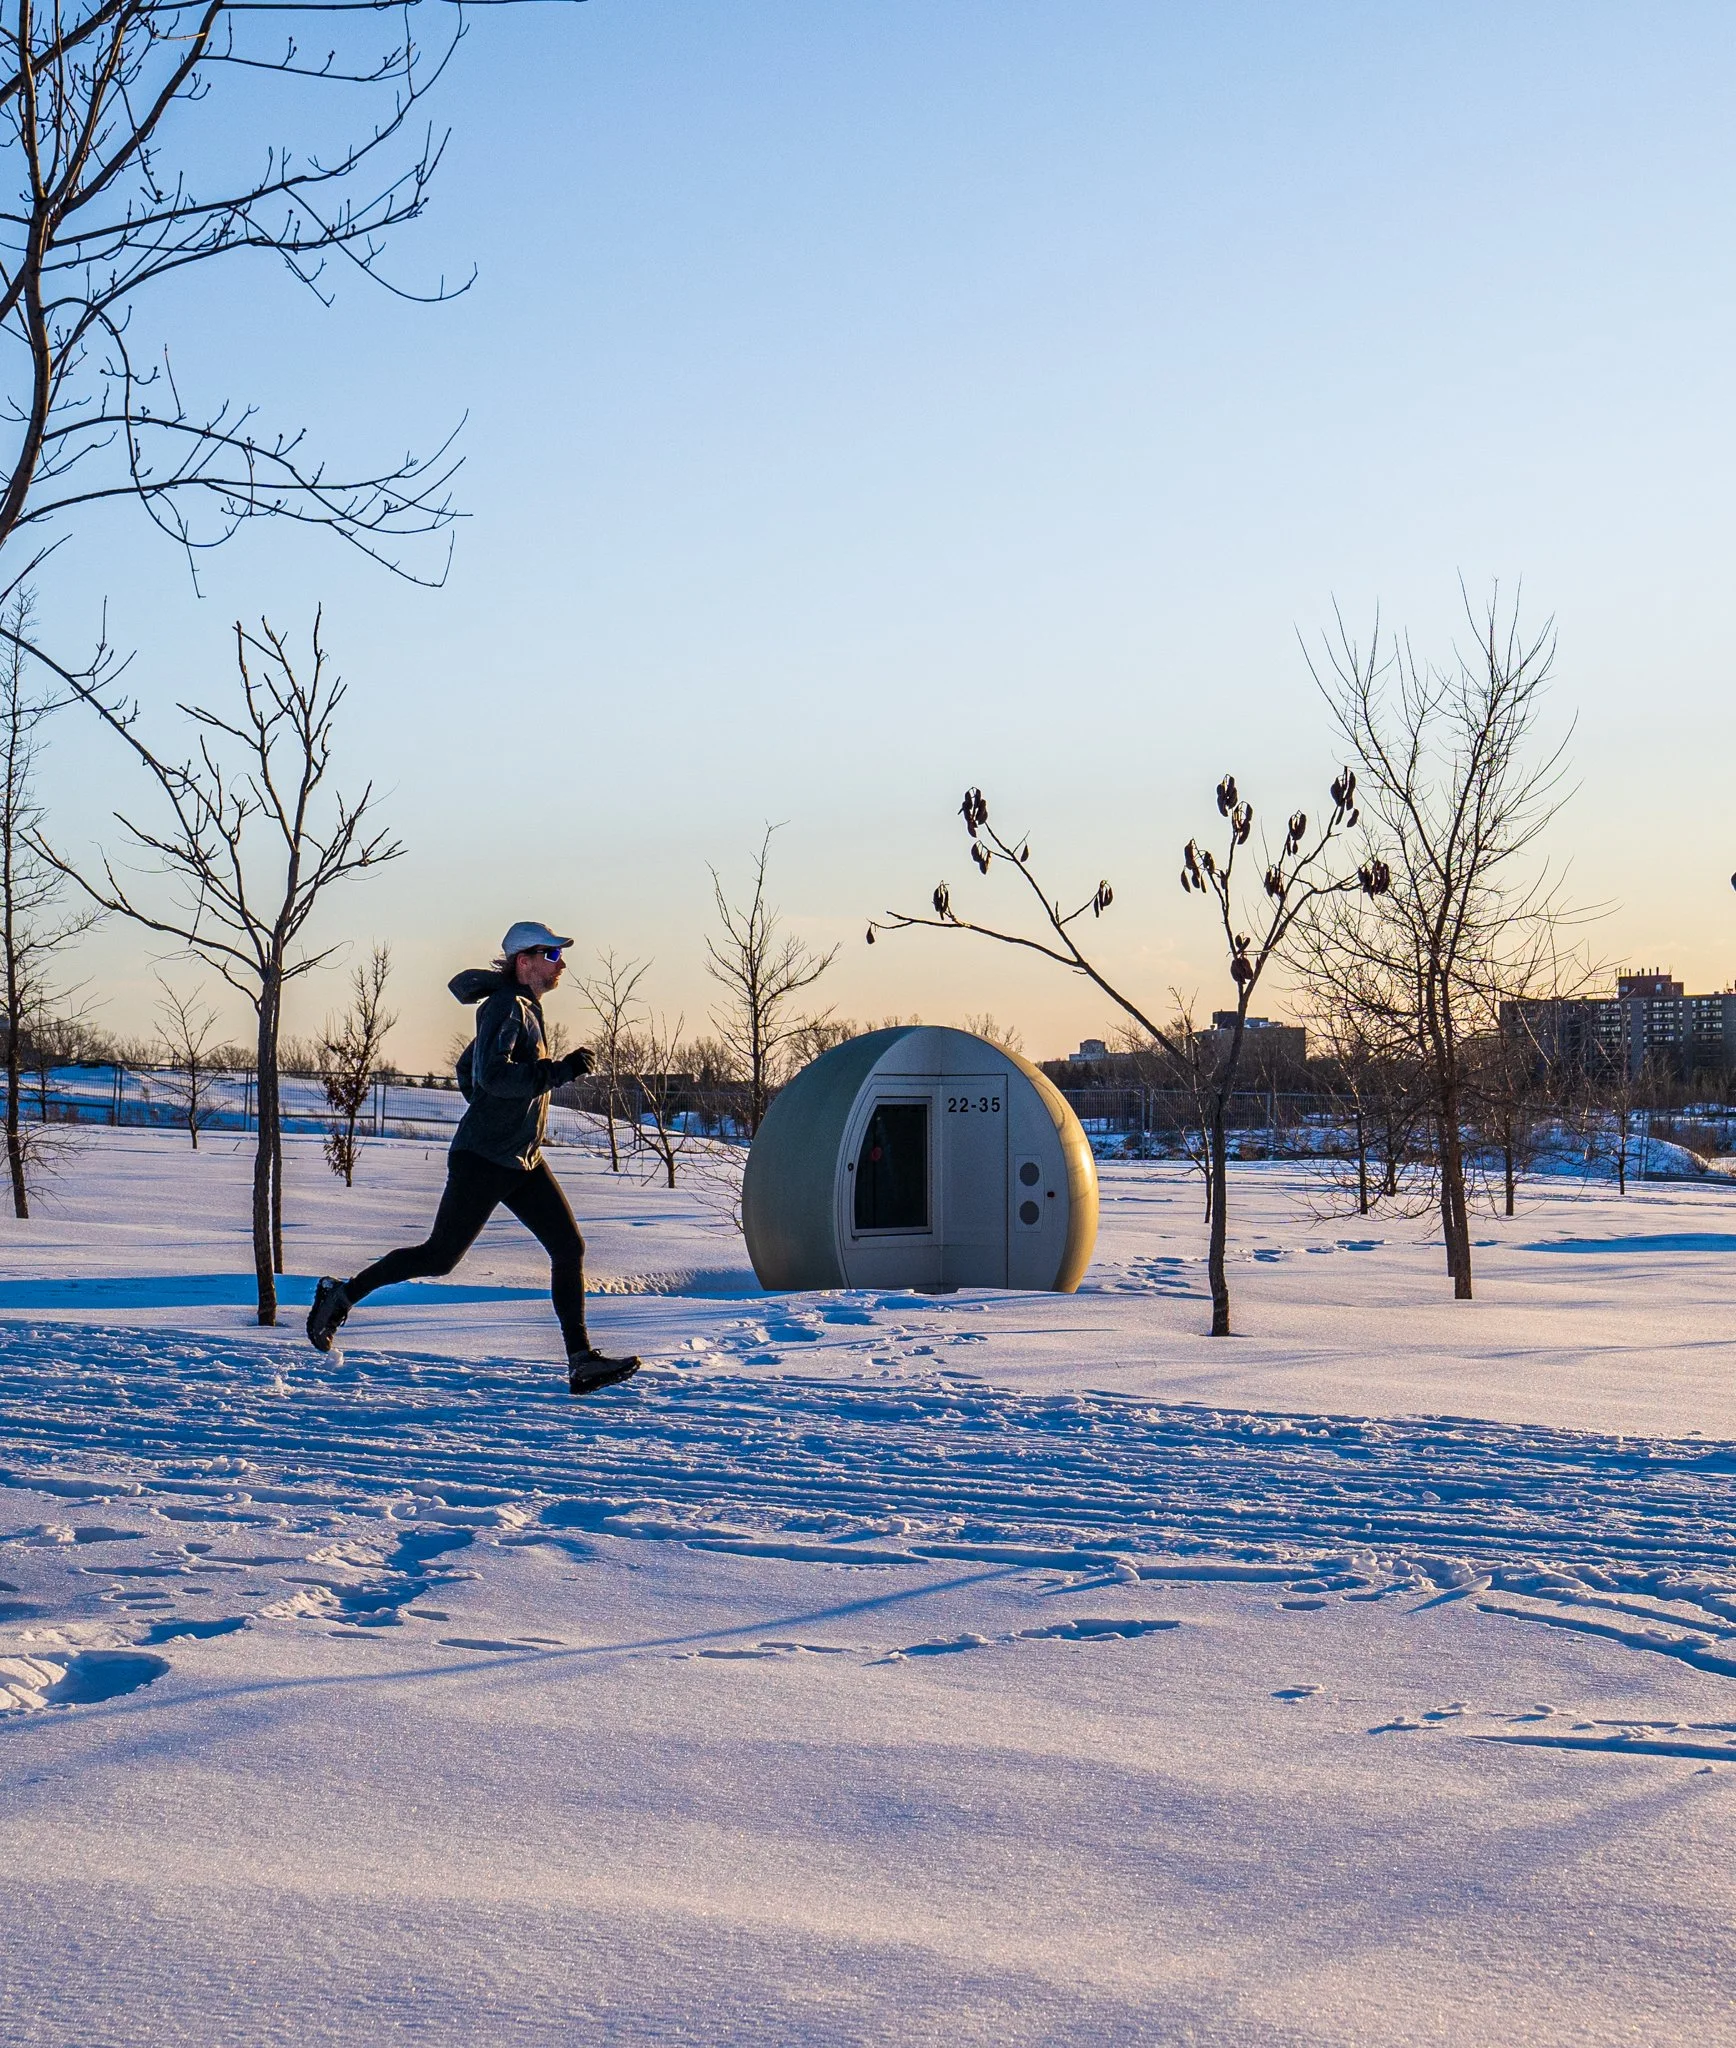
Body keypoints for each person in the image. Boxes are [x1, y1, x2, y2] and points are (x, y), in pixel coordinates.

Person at [305, 920, 640, 1396]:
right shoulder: (506, 1006)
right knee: (439, 1257)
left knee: (569, 1249)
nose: (560, 963)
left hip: (520, 1158)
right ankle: (339, 1295)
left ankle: (580, 1361)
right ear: (523, 962)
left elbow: (470, 1069)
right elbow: (494, 1075)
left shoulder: (522, 1006)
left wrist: (498, 1109)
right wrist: (557, 1071)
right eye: (551, 955)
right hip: (485, 1158)